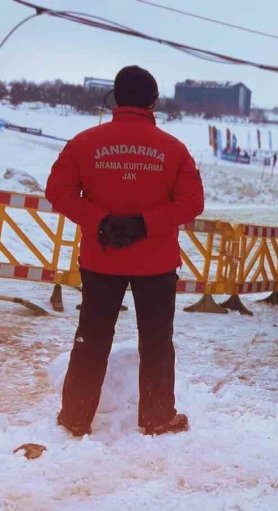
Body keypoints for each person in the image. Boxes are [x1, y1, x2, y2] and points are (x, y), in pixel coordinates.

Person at [46, 65, 204, 437]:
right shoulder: (173, 149)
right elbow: (192, 201)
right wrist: (144, 224)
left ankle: (75, 417)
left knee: (91, 338)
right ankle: (158, 416)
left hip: (102, 258)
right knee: (156, 341)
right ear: (153, 101)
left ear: (116, 98)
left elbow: (58, 191)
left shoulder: (84, 143)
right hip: (156, 262)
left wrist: (100, 220)